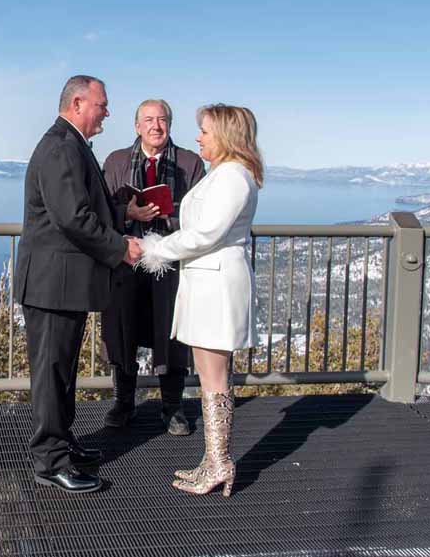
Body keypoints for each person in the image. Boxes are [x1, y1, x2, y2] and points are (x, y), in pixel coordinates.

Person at [15, 75, 143, 494]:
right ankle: (49, 461)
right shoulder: (59, 148)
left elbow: (88, 209)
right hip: (52, 285)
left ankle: (63, 443)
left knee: (63, 371)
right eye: (102, 105)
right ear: (77, 104)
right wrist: (120, 247)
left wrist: (126, 214)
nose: (107, 112)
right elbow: (72, 217)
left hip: (63, 284)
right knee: (52, 372)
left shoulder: (71, 146)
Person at [137, 103, 263, 497]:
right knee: (210, 382)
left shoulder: (233, 178)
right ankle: (213, 460)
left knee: (215, 379)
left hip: (217, 287)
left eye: (205, 131)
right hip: (207, 283)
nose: (198, 137)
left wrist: (153, 248)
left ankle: (220, 463)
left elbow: (206, 233)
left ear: (224, 135)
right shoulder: (224, 175)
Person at [100, 99, 206, 433]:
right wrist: (128, 214)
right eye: (148, 120)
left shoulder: (189, 163)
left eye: (162, 119)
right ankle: (123, 403)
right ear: (136, 126)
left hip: (170, 261)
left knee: (171, 333)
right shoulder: (116, 161)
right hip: (127, 259)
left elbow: (201, 215)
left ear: (170, 125)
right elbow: (102, 210)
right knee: (122, 330)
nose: (155, 126)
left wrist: (165, 215)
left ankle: (172, 407)